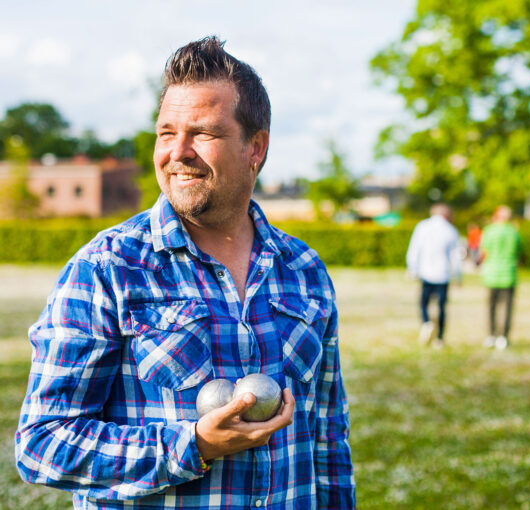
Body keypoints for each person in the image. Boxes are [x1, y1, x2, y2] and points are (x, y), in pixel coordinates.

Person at [15, 37, 355, 509]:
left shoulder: (304, 271)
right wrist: (193, 445)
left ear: (255, 147)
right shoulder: (107, 268)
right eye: (166, 132)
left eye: (204, 133)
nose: (178, 152)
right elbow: (42, 445)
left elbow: (327, 442)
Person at [406, 203, 462, 348]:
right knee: (441, 306)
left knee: (424, 303)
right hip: (443, 274)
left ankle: (426, 322)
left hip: (425, 272)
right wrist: (458, 276)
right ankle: (440, 337)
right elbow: (456, 256)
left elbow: (414, 249)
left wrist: (412, 268)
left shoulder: (422, 227)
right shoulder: (451, 230)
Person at [478, 206, 522, 351]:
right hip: (508, 274)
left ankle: (491, 335)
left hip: (492, 274)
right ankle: (503, 336)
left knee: (491, 306)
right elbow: (520, 252)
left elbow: (484, 252)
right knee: (507, 307)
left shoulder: (489, 231)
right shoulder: (514, 232)